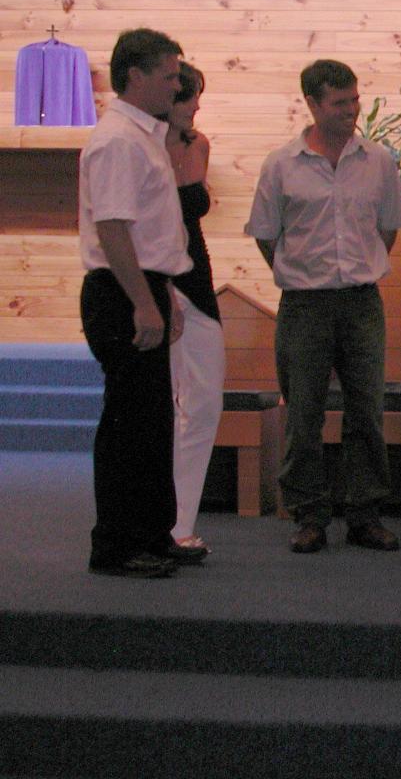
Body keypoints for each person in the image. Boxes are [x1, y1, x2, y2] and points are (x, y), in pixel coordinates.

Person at [245, 59, 401, 554]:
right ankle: (310, 515)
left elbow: (388, 229)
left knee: (367, 410)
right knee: (303, 413)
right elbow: (267, 237)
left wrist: (358, 267)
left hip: (362, 302)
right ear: (313, 104)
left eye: (355, 99)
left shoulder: (378, 160)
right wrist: (304, 274)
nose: (352, 110)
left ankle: (364, 514)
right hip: (304, 305)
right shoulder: (280, 165)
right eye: (340, 103)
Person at [79, 28, 205, 577]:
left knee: (153, 422)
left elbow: (154, 233)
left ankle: (153, 535)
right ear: (135, 76)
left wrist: (165, 296)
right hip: (119, 291)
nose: (177, 85)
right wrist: (142, 303)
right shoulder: (116, 140)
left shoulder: (144, 136)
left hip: (145, 285)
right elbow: (112, 229)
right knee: (129, 424)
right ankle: (115, 546)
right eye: (170, 75)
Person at [165, 62, 225, 554]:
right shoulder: (140, 148)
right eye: (191, 98)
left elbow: (189, 218)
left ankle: (183, 520)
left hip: (197, 277)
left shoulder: (198, 145)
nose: (198, 107)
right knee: (158, 408)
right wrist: (161, 293)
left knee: (204, 404)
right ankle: (156, 520)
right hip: (154, 281)